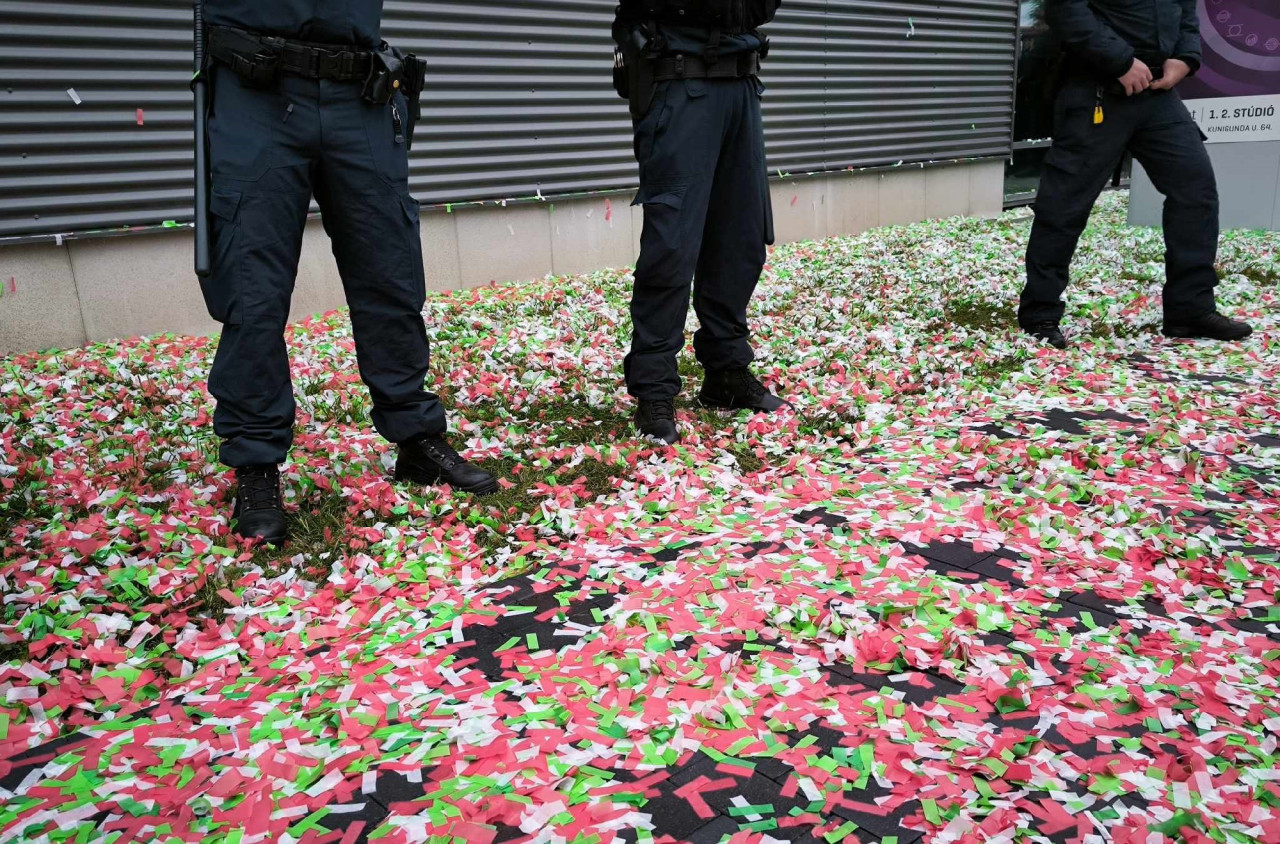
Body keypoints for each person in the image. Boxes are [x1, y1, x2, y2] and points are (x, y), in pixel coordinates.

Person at [199, 1, 498, 545]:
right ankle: (256, 464)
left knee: (390, 276)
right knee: (252, 292)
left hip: (359, 89)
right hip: (256, 86)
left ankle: (415, 439)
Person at [1019, 0, 1253, 350]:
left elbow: (1186, 14)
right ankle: (1039, 313)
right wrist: (1121, 61)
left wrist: (1185, 59)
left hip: (1159, 95)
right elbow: (1065, 8)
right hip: (1097, 87)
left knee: (1195, 191)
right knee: (1064, 205)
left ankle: (1190, 309)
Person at [613, 0, 788, 445]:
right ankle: (654, 387)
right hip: (679, 77)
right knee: (671, 245)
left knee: (740, 236)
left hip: (741, 81)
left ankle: (725, 372)